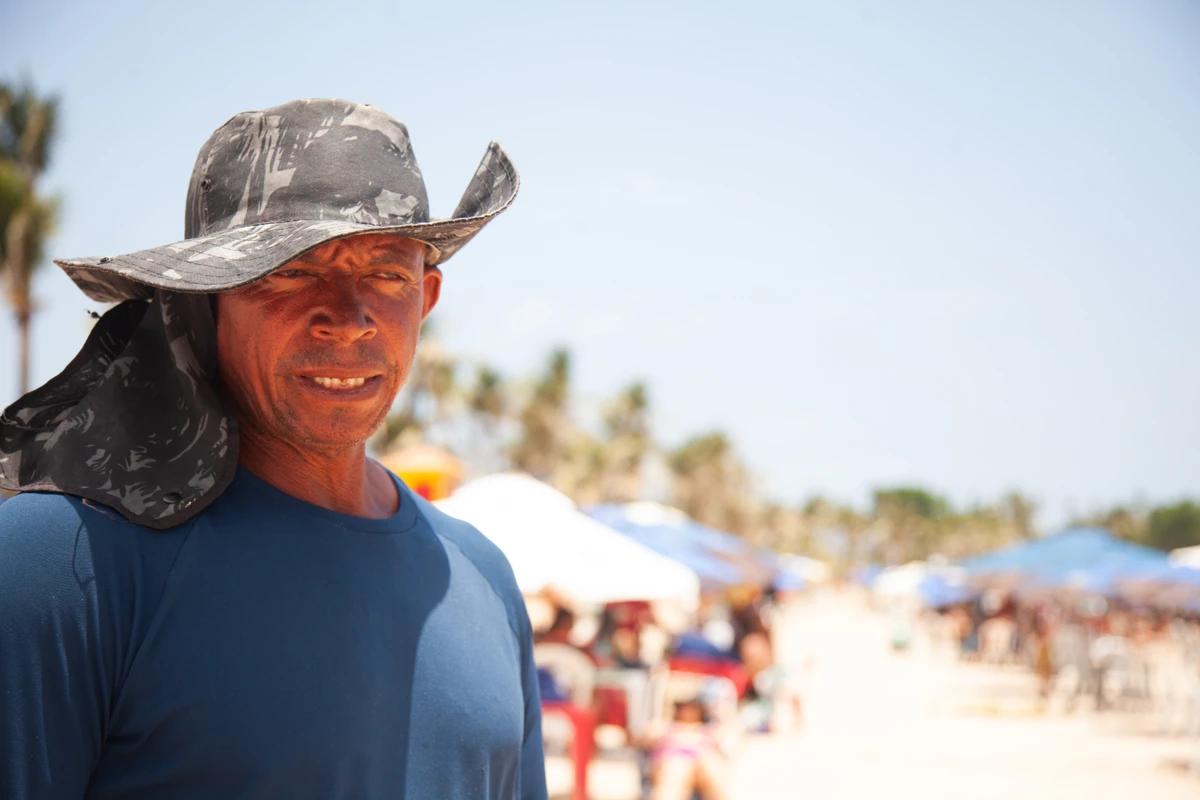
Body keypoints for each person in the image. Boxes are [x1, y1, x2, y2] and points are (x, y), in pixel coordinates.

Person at [0, 99, 547, 800]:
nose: (347, 321)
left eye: (386, 275)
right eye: (290, 271)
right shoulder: (60, 566)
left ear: (426, 298)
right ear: (204, 300)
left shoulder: (482, 579)